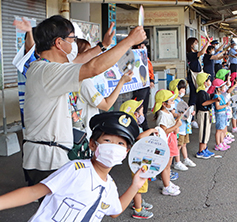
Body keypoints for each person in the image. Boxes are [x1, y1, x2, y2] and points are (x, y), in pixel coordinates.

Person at [22, 15, 145, 186]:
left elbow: (80, 60)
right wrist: (129, 41)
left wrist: (103, 46)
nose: (74, 44)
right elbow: (92, 67)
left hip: (54, 156)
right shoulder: (47, 71)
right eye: (72, 39)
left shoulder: (47, 67)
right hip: (48, 160)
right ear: (59, 43)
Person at [0, 111, 147, 221]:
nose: (114, 147)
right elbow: (34, 192)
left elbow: (115, 211)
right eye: (107, 140)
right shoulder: (76, 169)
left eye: (120, 144)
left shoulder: (110, 186)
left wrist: (135, 186)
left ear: (125, 152)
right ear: (92, 144)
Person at [71, 39, 134, 138]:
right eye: (89, 52)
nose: (94, 57)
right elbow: (106, 105)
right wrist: (122, 82)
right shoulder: (84, 82)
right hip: (85, 135)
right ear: (79, 56)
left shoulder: (71, 76)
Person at [119, 100, 158, 219]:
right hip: (138, 161)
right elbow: (140, 137)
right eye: (141, 112)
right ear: (134, 114)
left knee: (141, 182)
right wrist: (151, 130)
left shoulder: (135, 125)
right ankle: (138, 209)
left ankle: (138, 201)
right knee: (138, 184)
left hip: (141, 159)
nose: (142, 114)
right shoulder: (133, 127)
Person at [152, 89, 182, 196]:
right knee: (166, 165)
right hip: (167, 142)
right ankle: (166, 187)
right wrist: (175, 126)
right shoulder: (162, 115)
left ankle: (168, 182)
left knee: (169, 164)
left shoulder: (168, 112)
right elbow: (163, 131)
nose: (173, 102)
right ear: (164, 104)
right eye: (171, 101)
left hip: (172, 139)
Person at [169, 79, 197, 171]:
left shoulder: (180, 100)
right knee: (178, 145)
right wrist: (180, 114)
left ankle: (185, 159)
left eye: (184, 88)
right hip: (179, 127)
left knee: (184, 144)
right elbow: (173, 113)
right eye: (181, 89)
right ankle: (177, 162)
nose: (184, 91)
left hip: (185, 126)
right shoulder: (173, 101)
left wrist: (190, 113)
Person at [132, 40, 155, 131]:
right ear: (138, 46)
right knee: (138, 106)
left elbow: (150, 69)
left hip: (146, 84)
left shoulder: (145, 56)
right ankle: (137, 125)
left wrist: (151, 80)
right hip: (138, 85)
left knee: (144, 106)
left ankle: (144, 125)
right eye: (143, 45)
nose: (144, 47)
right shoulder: (133, 56)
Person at [195, 73, 219, 159]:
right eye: (208, 80)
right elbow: (203, 103)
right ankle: (201, 151)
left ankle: (205, 148)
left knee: (207, 132)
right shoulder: (201, 92)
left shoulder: (204, 91)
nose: (209, 81)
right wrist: (214, 100)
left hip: (206, 114)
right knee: (203, 132)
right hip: (203, 113)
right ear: (204, 82)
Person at [186, 37, 209, 106]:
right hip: (193, 76)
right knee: (193, 94)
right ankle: (190, 111)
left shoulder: (194, 53)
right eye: (195, 43)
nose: (196, 45)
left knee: (199, 93)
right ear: (191, 45)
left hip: (197, 75)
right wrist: (208, 43)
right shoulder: (190, 54)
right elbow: (202, 52)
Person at [212, 79, 231, 151]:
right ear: (218, 88)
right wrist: (226, 105)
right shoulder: (217, 96)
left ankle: (222, 142)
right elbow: (217, 107)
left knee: (222, 129)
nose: (224, 87)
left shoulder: (221, 95)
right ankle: (218, 144)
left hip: (223, 114)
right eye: (223, 86)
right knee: (219, 130)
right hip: (219, 114)